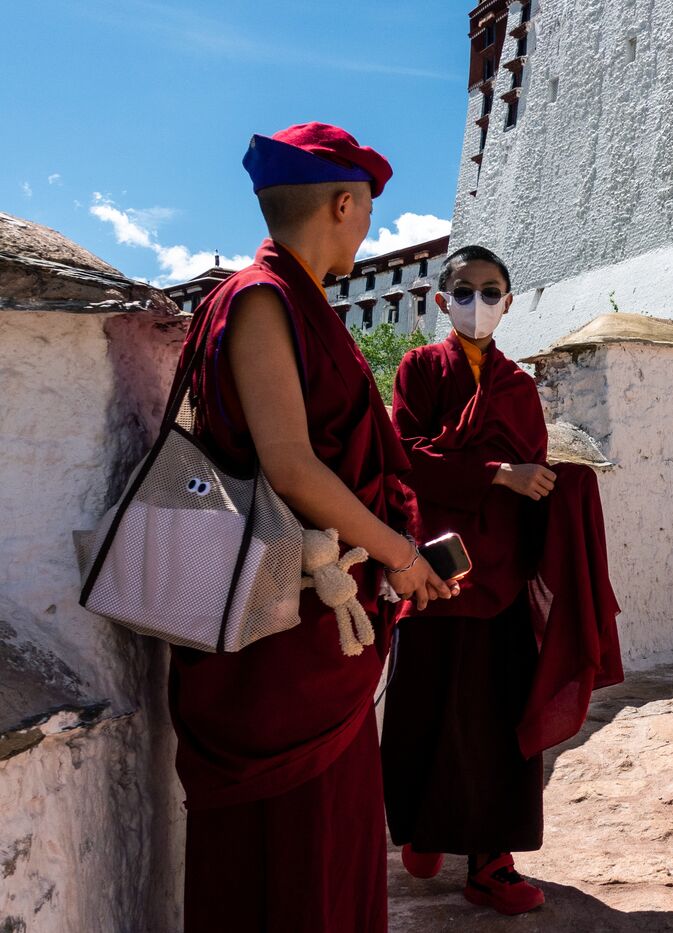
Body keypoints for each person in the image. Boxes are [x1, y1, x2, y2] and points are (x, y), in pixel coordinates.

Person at [168, 122, 457, 933]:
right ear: (342, 204)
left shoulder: (297, 304)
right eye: (365, 213)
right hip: (277, 638)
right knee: (287, 848)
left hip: (317, 631)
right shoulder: (261, 300)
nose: (367, 231)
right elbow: (290, 464)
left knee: (333, 841)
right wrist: (400, 553)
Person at [381, 244, 623, 915]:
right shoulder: (421, 369)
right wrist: (496, 472)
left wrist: (555, 487)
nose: (478, 303)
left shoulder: (516, 386)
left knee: (495, 727)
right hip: (437, 568)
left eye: (491, 291)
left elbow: (532, 473)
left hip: (502, 579)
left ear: (509, 302)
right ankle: (425, 831)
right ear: (441, 300)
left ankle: (491, 863)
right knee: (425, 716)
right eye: (465, 290)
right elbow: (408, 458)